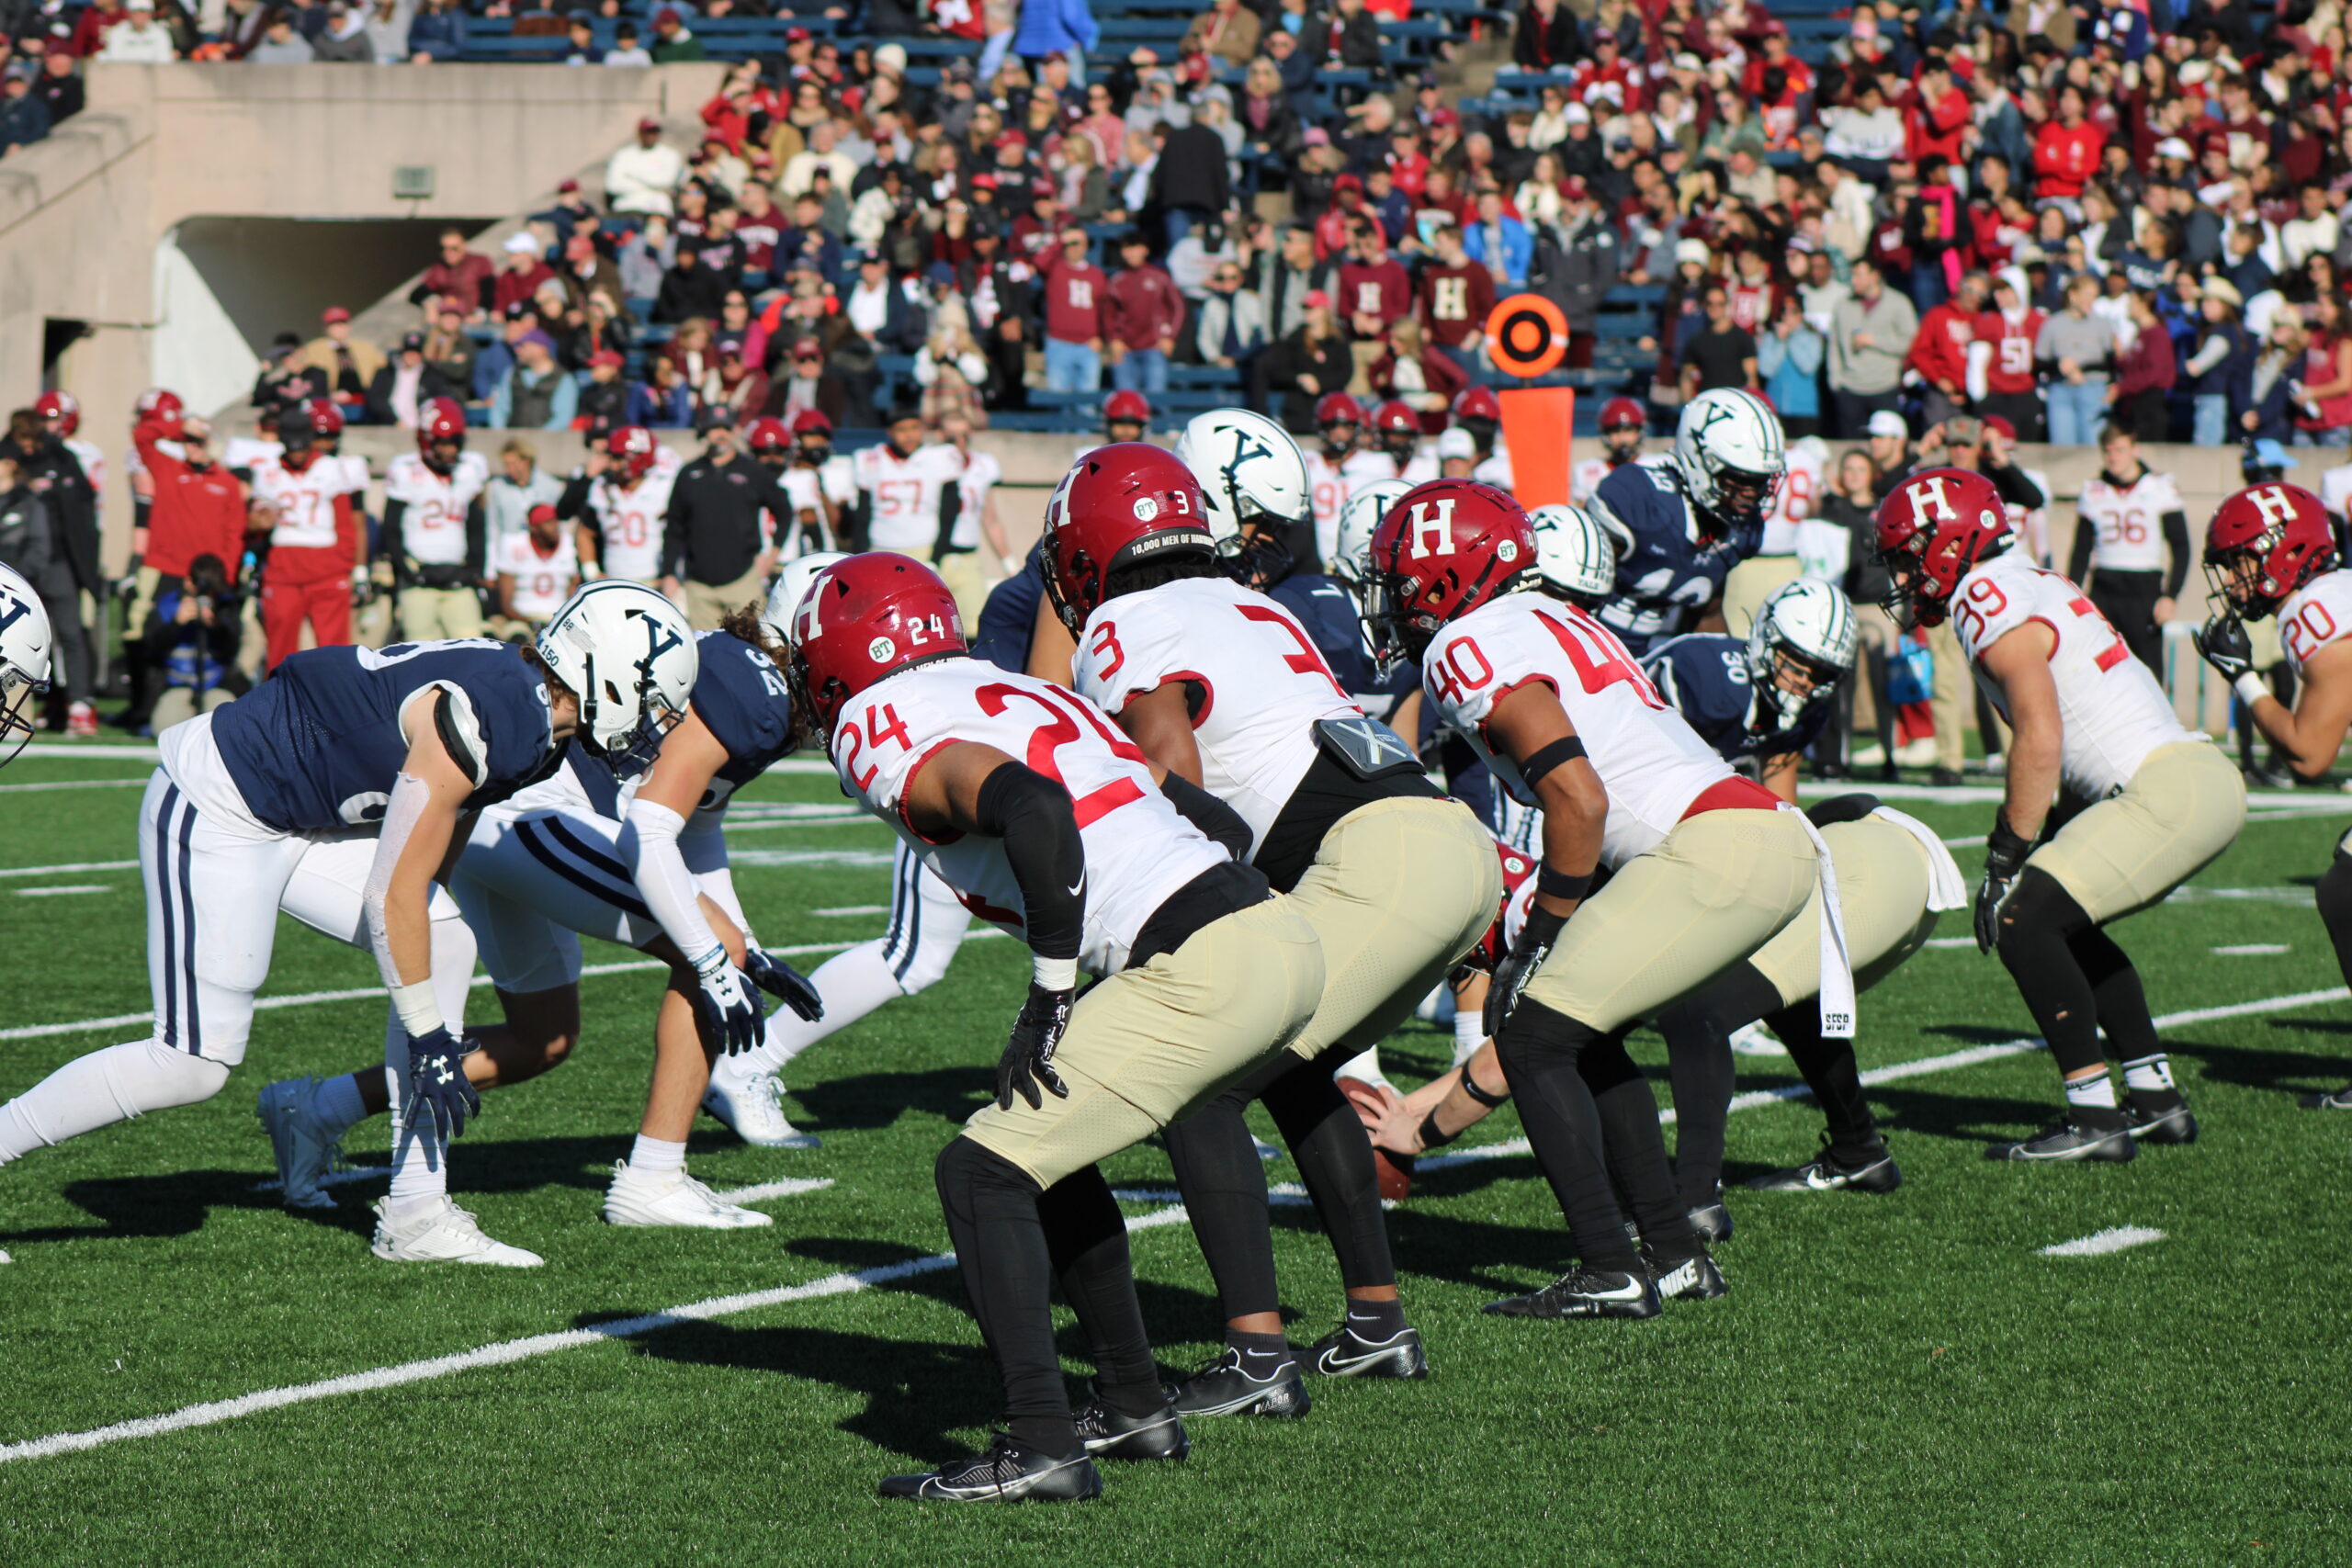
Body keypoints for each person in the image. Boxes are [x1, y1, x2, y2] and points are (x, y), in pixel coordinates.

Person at [790, 552, 1322, 1501]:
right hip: (1271, 929)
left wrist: (1050, 992)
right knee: (1049, 1149)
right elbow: (1210, 821)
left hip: (1195, 955)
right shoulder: (1010, 689)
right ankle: (1131, 1404)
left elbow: (1032, 808)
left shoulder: (880, 721)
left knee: (980, 1170)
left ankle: (1040, 1444)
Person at [2, 584, 687, 1267]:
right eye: (656, 701)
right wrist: (426, 1034)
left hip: (305, 815)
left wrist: (427, 1002)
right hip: (222, 801)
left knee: (445, 937)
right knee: (190, 1062)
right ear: (609, 672)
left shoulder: (538, 729)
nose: (657, 724)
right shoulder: (496, 713)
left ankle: (417, 1210)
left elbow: (432, 861)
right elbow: (395, 892)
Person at [1048, 444, 1498, 1410]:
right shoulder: (1254, 601)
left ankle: (1257, 1362)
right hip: (1443, 850)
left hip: (1373, 859)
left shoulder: (1126, 618)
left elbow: (1171, 766)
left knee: (1199, 1082)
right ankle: (1376, 1325)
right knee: (1293, 1074)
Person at [1363, 479, 1826, 1314]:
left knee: (1533, 1036)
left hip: (1706, 848)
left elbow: (1580, 799)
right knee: (1583, 1034)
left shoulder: (1466, 643)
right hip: (1755, 836)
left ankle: (1608, 1263)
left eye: (1402, 580)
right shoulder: (1555, 618)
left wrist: (1543, 932)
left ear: (1445, 575)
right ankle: (1676, 1253)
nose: (1395, 601)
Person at [260, 587, 820, 1245]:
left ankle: (319, 1107)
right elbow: (655, 822)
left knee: (543, 1037)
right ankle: (655, 1177)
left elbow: (699, 822)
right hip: (536, 813)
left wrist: (741, 942)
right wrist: (720, 950)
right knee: (708, 950)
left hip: (505, 820)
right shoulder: (755, 691)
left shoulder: (752, 683)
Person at [1878, 468, 2245, 1162]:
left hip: (2160, 786)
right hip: (2190, 778)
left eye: (1908, 554)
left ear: (1949, 542)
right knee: (2066, 922)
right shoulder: (2028, 580)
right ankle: (2156, 1098)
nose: (1903, 574)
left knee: (2023, 917)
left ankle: (2094, 1115)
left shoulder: (1984, 594)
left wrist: (2004, 857)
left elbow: (2040, 736)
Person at [2196, 481, 2352, 1109]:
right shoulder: (2331, 595)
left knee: (2343, 890)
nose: (2235, 579)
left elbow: (2309, 753)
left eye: (2242, 560)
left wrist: (2243, 680)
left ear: (2283, 551)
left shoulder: (2315, 610)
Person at [1589, 388, 1782, 656]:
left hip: (1645, 661)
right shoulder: (1640, 499)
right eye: (1739, 479)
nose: (1751, 495)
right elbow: (1564, 593)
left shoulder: (1740, 531)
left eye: (1760, 482)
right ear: (1701, 462)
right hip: (1584, 648)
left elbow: (1708, 617)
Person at [249, 400, 365, 671]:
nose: (298, 452)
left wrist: (345, 566)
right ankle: (277, 709)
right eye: (293, 446)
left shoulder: (331, 468)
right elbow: (254, 526)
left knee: (335, 653)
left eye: (303, 444)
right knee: (279, 649)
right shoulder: (268, 472)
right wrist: (257, 522)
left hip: (326, 568)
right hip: (283, 570)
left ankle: (338, 709)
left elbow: (346, 524)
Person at [2067, 424, 2188, 673]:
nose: (2114, 458)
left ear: (2135, 449)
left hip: (2144, 586)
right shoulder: (2093, 490)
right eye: (2108, 452)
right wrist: (2074, 597)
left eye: (2120, 450)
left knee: (2149, 669)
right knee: (2102, 668)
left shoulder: (2159, 485)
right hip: (2105, 584)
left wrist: (2170, 595)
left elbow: (2181, 545)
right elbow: (2080, 552)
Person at [662, 419, 791, 631]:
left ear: (734, 432)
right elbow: (674, 527)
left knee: (750, 647)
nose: (720, 434)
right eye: (714, 428)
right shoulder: (688, 473)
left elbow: (784, 511)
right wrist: (669, 573)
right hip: (699, 583)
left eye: (726, 428)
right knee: (705, 651)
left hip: (743, 579)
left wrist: (772, 556)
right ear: (704, 433)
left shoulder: (752, 471)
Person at [848, 406, 974, 616]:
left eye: (915, 428)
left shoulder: (940, 456)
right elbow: (862, 517)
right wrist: (860, 556)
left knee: (927, 613)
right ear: (890, 432)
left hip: (923, 549)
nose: (909, 435)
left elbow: (949, 511)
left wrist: (937, 555)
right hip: (880, 549)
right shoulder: (870, 459)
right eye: (901, 429)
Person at [384, 398, 491, 641]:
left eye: (455, 442)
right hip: (419, 578)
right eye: (444, 443)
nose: (451, 450)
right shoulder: (406, 469)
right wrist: (408, 571)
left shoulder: (470, 469)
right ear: (427, 441)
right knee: (420, 653)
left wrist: (474, 571)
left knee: (471, 648)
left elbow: (477, 526)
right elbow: (391, 529)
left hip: (458, 580)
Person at [563, 426, 676, 590]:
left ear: (637, 459)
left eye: (617, 457)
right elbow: (584, 532)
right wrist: (592, 572)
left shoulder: (664, 487)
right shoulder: (603, 488)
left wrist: (669, 574)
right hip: (613, 583)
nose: (611, 464)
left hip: (654, 582)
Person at [144, 554, 243, 734]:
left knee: (225, 730)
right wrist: (176, 624)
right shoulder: (167, 605)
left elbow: (233, 651)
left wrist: (217, 626)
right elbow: (151, 649)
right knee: (165, 730)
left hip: (215, 685)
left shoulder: (226, 606)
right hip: (176, 684)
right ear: (188, 582)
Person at [1827, 258, 1917, 437]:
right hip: (1849, 387)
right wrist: (1835, 379)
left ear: (1875, 276)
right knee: (1851, 443)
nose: (1854, 281)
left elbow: (1910, 342)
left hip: (1885, 386)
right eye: (1852, 275)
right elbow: (1834, 344)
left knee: (1885, 442)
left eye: (1859, 275)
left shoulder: (1898, 303)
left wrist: (1875, 340)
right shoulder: (1843, 304)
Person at [491, 503, 580, 639]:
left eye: (556, 521)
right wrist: (531, 622)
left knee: (581, 642)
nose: (555, 526)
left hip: (559, 619)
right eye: (548, 522)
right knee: (518, 638)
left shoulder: (568, 544)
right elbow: (506, 604)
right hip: (522, 618)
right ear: (534, 528)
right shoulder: (514, 545)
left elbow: (573, 595)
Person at [1042, 228, 1111, 393]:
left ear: (1086, 246)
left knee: (1087, 401)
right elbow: (1039, 261)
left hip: (1088, 345)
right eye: (1070, 244)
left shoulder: (1096, 274)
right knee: (1058, 398)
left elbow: (1105, 309)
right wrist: (1059, 240)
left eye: (1077, 243)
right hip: (1059, 343)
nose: (1074, 248)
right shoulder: (1056, 269)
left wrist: (1101, 337)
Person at [1678, 282, 1760, 401]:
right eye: (1709, 303)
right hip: (1708, 401)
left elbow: (1751, 379)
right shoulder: (1696, 340)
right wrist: (1688, 406)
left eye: (1720, 304)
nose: (1714, 307)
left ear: (1727, 305)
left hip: (1736, 401)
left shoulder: (1742, 338)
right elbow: (1686, 377)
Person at [1571, 397, 1649, 505]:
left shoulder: (1655, 465)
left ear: (1639, 432)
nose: (1622, 438)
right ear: (1606, 435)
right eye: (1615, 431)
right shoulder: (1586, 471)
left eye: (1628, 430)